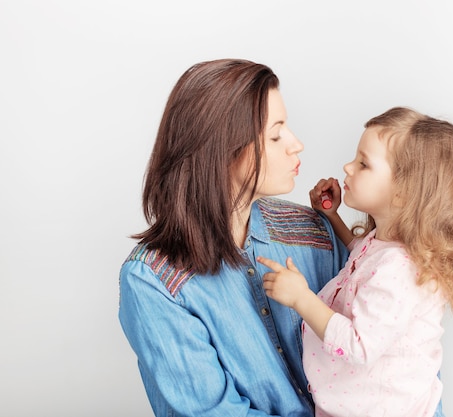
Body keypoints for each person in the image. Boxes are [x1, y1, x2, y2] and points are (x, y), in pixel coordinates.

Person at [118, 59, 349, 417]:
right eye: (276, 134)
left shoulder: (317, 232)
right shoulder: (154, 282)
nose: (297, 144)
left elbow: (396, 356)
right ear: (222, 149)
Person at [258, 107, 453, 417]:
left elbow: (358, 345)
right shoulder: (389, 247)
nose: (348, 167)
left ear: (403, 194)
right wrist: (331, 215)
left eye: (364, 164)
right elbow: (360, 253)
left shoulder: (401, 269)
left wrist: (301, 298)